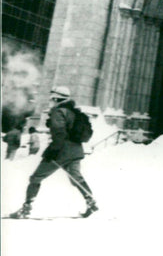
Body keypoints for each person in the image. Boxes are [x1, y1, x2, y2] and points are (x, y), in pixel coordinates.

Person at [8, 86, 98, 219]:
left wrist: (53, 151)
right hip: (76, 150)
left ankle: (25, 209)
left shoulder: (59, 111)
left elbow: (59, 132)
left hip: (61, 151)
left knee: (36, 178)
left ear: (56, 98)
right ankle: (91, 202)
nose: (50, 101)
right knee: (76, 178)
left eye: (52, 98)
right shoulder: (73, 112)